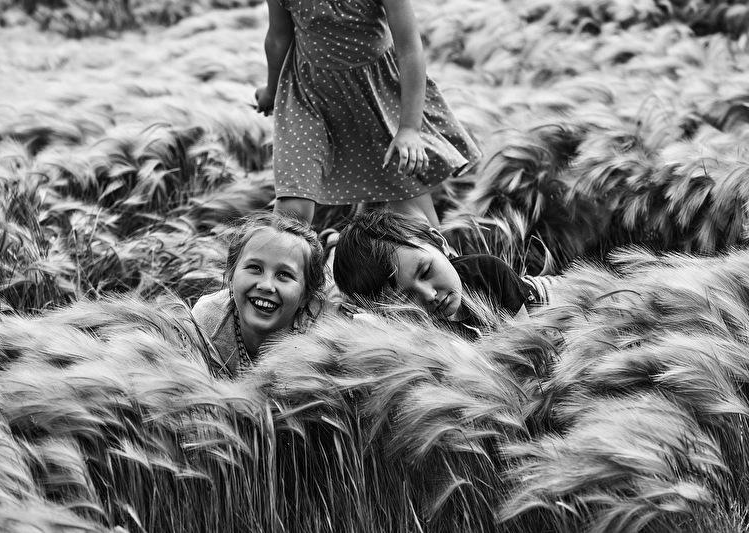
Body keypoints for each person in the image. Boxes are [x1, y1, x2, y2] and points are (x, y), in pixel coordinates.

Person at [255, 0, 481, 229]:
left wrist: (408, 129)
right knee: (293, 209)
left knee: (418, 223)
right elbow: (278, 37)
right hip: (308, 99)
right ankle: (281, 251)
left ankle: (359, 244)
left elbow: (410, 50)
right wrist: (271, 91)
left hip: (377, 98)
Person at [332, 211, 552, 336]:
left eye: (426, 271)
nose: (429, 295)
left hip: (543, 298)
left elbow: (527, 346)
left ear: (439, 242)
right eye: (405, 298)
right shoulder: (412, 335)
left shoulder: (489, 271)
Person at [192, 212, 325, 378]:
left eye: (284, 274)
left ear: (306, 296)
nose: (266, 285)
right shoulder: (206, 320)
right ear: (231, 275)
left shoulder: (323, 338)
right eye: (255, 268)